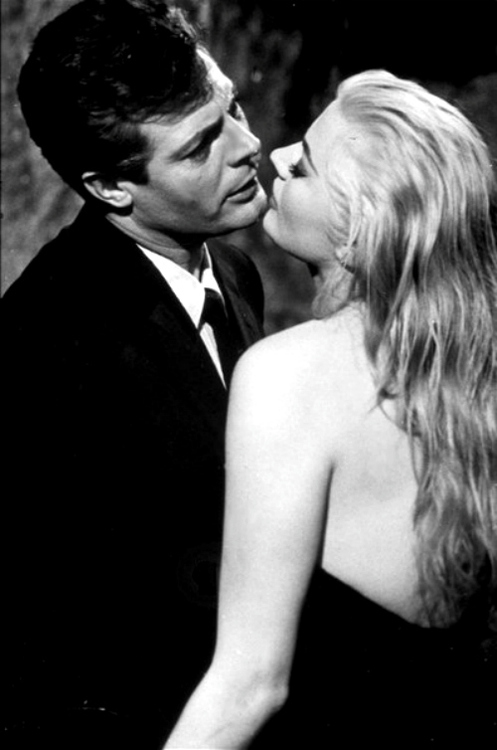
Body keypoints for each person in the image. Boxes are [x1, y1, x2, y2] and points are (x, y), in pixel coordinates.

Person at [165, 70, 497, 749]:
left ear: (358, 235)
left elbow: (249, 685)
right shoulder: (474, 367)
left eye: (307, 166)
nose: (279, 155)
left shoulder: (288, 376)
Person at [2, 1, 267, 747]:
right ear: (112, 188)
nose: (248, 146)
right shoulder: (42, 348)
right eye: (200, 146)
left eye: (233, 108)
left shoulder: (234, 270)